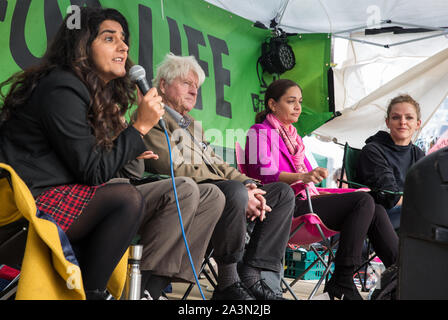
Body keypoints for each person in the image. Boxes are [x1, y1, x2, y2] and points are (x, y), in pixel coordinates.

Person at [0, 7, 224, 300]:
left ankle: (146, 291)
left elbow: (126, 174)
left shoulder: (101, 97)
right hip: (31, 204)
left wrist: (126, 141)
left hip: (81, 194)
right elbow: (93, 172)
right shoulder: (62, 87)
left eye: (123, 39)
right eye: (109, 38)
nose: (123, 46)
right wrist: (139, 128)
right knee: (124, 198)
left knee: (206, 195)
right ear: (82, 45)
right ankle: (93, 293)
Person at [140, 54, 295, 300]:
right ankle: (227, 280)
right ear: (162, 85)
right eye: (186, 83)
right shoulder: (153, 118)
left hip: (220, 196)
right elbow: (171, 166)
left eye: (197, 87)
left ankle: (254, 273)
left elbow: (219, 163)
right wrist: (238, 188)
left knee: (282, 194)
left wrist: (248, 184)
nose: (193, 91)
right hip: (190, 199)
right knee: (232, 191)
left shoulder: (192, 124)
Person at [244, 79, 399, 300]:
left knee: (372, 204)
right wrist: (303, 176)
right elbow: (263, 174)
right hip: (281, 207)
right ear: (272, 104)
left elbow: (310, 184)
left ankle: (401, 275)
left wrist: (317, 184)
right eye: (291, 101)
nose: (298, 107)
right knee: (364, 203)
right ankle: (343, 279)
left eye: (299, 101)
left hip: (305, 201)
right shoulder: (259, 132)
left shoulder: (294, 138)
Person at [357, 94, 425, 230]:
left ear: (418, 124)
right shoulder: (373, 150)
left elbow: (428, 190)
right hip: (378, 215)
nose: (402, 122)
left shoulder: (418, 154)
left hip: (412, 214)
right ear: (387, 122)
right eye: (396, 117)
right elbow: (389, 198)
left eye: (409, 117)